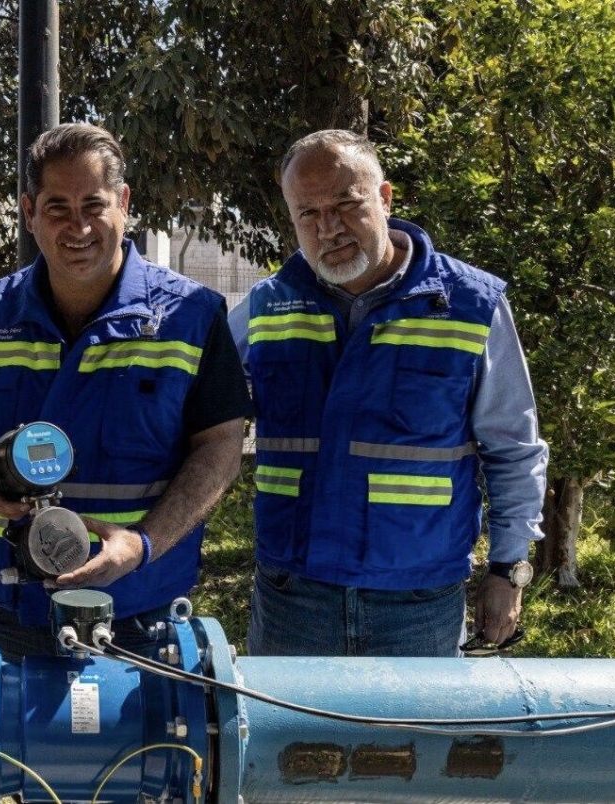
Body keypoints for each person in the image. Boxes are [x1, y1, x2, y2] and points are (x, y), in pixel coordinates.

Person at [0, 122, 251, 658]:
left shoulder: (191, 316)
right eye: (57, 207)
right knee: (21, 745)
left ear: (123, 204)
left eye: (93, 204)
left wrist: (142, 544)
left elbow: (220, 447)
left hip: (143, 610)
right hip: (19, 606)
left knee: (154, 743)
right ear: (29, 212)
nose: (76, 226)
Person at [230, 129, 548, 657]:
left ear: (384, 198)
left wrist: (508, 569)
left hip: (418, 604)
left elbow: (513, 448)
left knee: (409, 743)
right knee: (290, 740)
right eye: (307, 213)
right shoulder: (268, 305)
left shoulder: (470, 305)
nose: (328, 228)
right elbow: (198, 407)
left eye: (345, 203)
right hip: (293, 598)